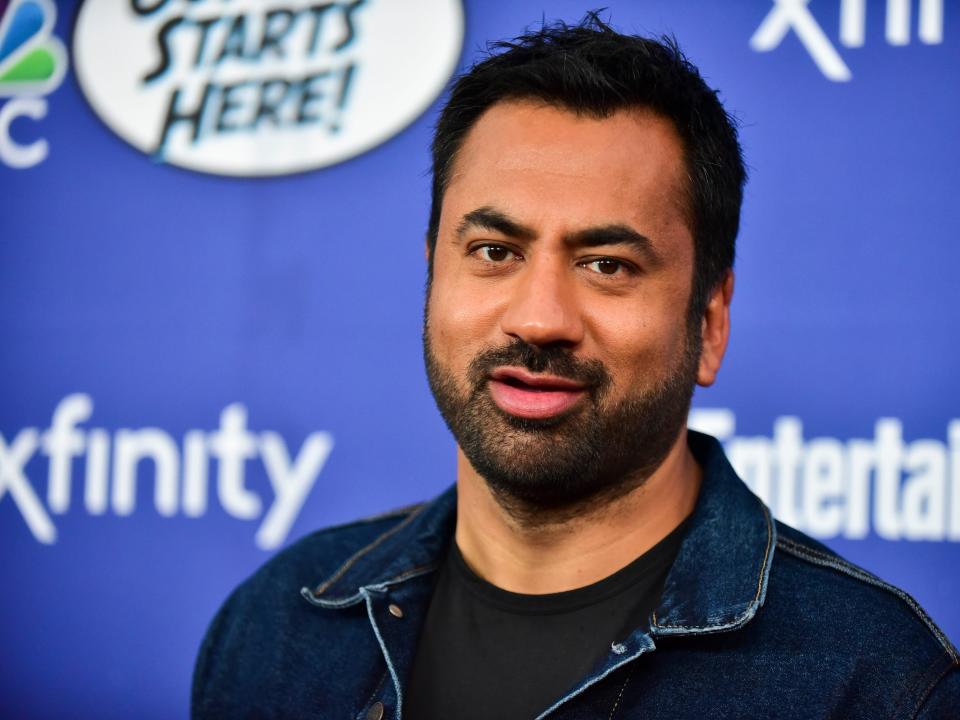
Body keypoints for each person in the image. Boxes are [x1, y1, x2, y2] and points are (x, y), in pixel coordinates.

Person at [191, 15, 959, 719]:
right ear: (434, 276)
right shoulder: (279, 629)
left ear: (711, 321)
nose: (539, 318)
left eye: (606, 265)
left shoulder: (877, 684)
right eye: (494, 253)